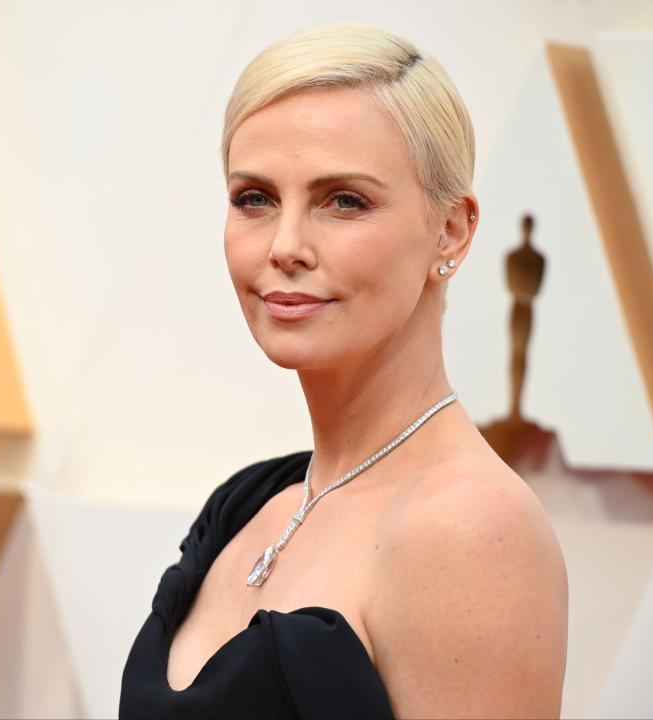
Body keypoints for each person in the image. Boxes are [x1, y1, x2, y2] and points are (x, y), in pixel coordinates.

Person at [120, 22, 567, 719]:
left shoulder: (469, 528)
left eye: (344, 201)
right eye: (255, 199)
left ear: (451, 230)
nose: (286, 246)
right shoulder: (250, 502)